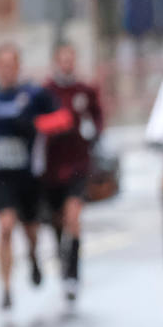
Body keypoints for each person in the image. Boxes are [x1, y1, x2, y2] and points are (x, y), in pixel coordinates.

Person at [0, 42, 73, 310]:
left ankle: (32, 254)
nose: (6, 70)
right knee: (5, 226)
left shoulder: (34, 94)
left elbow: (63, 118)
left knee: (30, 229)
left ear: (18, 66)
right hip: (0, 172)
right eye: (2, 65)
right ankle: (6, 289)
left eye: (11, 65)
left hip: (28, 173)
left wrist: (36, 125)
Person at [42, 42, 104, 301]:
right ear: (56, 61)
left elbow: (98, 118)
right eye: (62, 59)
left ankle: (74, 274)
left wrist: (93, 134)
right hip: (52, 169)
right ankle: (61, 255)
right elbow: (37, 122)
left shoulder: (84, 91)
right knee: (58, 221)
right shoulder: (46, 92)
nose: (67, 64)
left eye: (71, 59)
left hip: (78, 165)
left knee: (73, 217)